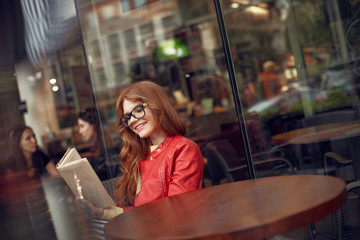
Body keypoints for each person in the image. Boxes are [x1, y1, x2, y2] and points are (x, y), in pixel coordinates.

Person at [78, 80, 204, 220]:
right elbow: (136, 209)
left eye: (138, 110)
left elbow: (176, 210)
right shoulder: (137, 155)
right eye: (127, 117)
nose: (131, 121)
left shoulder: (184, 149)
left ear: (157, 105)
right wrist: (100, 212)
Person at [78, 107, 120, 181]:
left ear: (93, 125)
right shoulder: (99, 144)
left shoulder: (107, 147)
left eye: (82, 126)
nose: (80, 131)